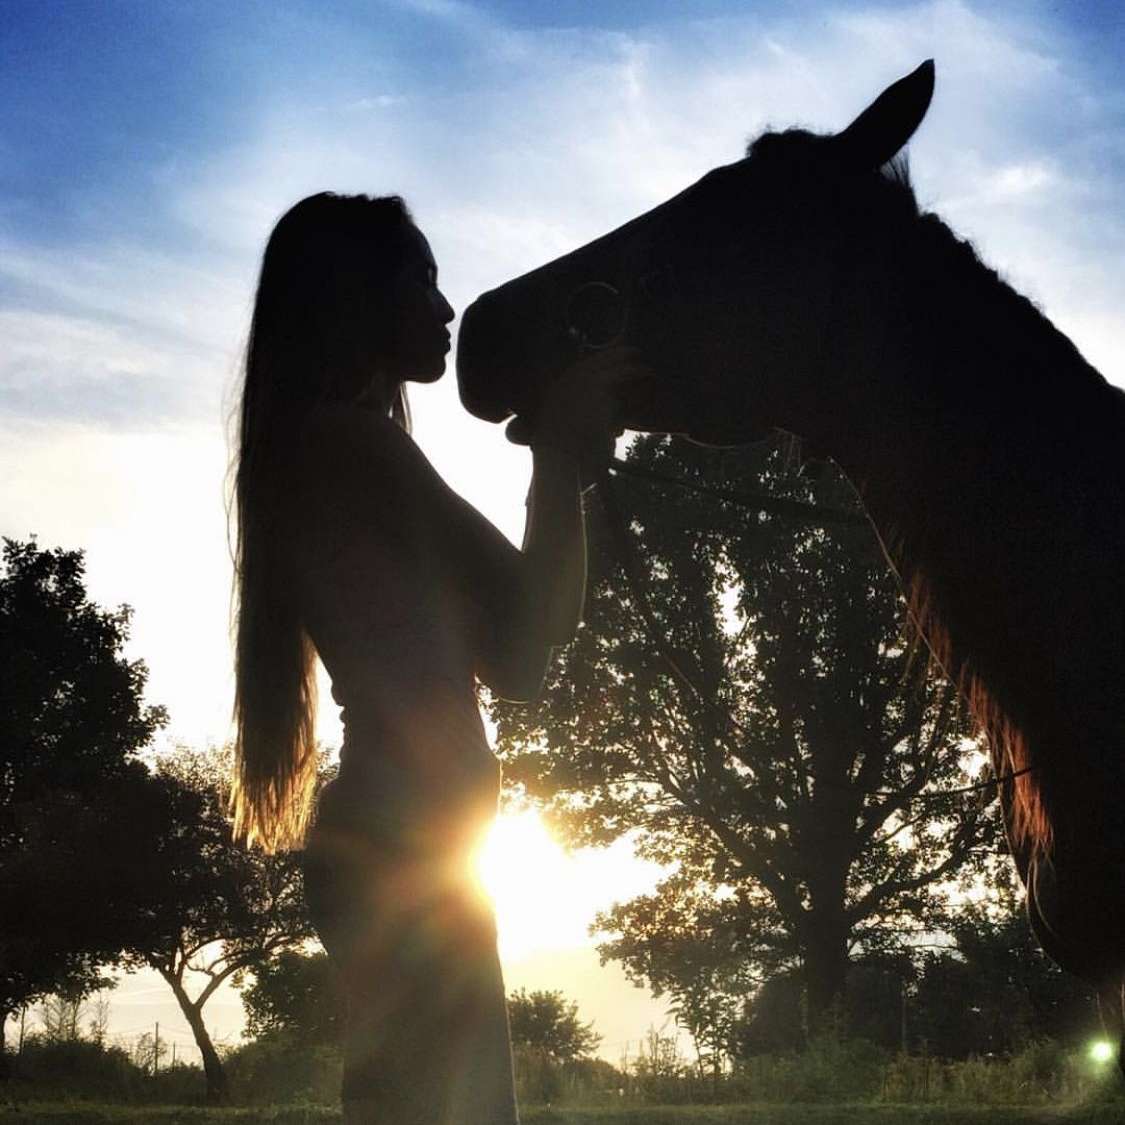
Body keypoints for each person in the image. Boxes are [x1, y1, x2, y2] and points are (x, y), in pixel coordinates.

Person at [228, 192, 641, 1123]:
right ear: (353, 296)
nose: (447, 308)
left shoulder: (332, 450)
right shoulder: (350, 443)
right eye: (421, 278)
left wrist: (561, 459)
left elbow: (529, 657)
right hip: (404, 844)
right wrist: (557, 448)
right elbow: (537, 613)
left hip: (411, 841)